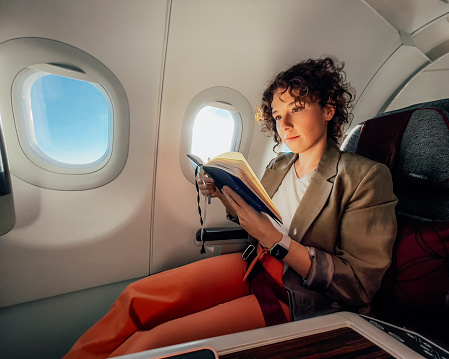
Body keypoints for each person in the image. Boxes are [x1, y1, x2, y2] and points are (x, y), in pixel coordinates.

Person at [63, 57, 397, 358]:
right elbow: (256, 218)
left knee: (151, 344)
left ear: (328, 108)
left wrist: (275, 240)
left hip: (299, 296)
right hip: (255, 265)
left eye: (296, 108)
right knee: (136, 297)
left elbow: (359, 284)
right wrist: (221, 192)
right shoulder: (280, 165)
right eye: (278, 116)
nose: (285, 125)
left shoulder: (364, 176)